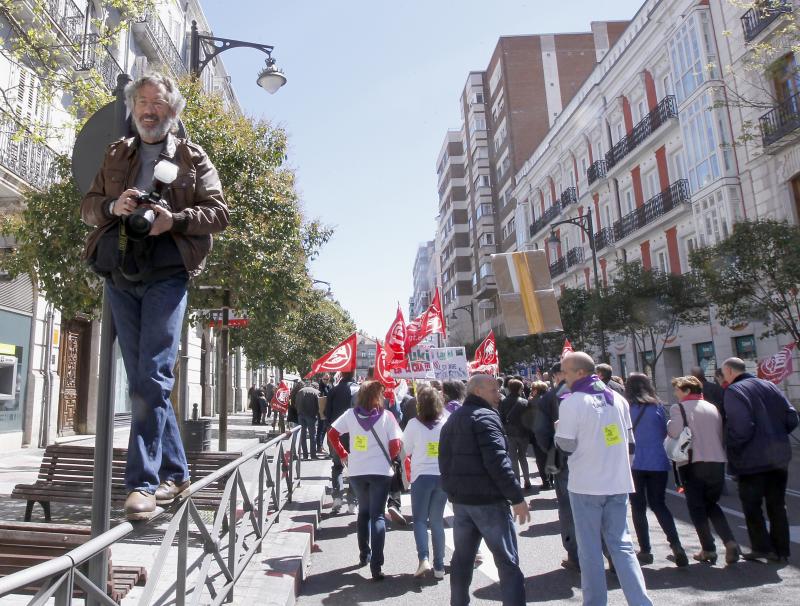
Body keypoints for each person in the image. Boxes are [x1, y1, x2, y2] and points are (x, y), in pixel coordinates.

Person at [81, 73, 228, 521]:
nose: (149, 109)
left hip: (167, 273)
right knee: (142, 380)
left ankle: (141, 484)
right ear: (133, 107)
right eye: (142, 101)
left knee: (154, 376)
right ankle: (177, 471)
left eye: (158, 103)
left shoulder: (192, 156)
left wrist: (175, 220)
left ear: (172, 110)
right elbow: (88, 207)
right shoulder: (116, 154)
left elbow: (219, 214)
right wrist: (114, 207)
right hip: (122, 271)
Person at [555, 352, 652, 606]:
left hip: (586, 483)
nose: (561, 376)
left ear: (580, 373)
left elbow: (566, 445)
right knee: (622, 546)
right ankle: (640, 601)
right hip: (618, 481)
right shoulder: (618, 399)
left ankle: (595, 602)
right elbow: (630, 442)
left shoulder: (572, 402)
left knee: (589, 551)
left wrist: (558, 430)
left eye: (565, 371)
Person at [440, 374, 530, 606]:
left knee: (462, 560)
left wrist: (453, 493)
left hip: (463, 502)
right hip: (488, 501)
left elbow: (443, 461)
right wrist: (516, 497)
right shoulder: (485, 418)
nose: (498, 395)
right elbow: (499, 461)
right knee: (507, 563)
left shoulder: (453, 418)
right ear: (477, 391)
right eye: (493, 390)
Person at [721, 357, 799, 562]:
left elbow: (741, 426)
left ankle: (762, 547)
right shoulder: (770, 386)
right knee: (777, 504)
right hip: (778, 456)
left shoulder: (734, 391)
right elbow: (792, 417)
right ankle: (781, 550)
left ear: (729, 371)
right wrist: (778, 434)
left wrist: (734, 446)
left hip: (750, 459)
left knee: (752, 506)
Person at [328, 380, 403, 580]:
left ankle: (364, 555)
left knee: (364, 513)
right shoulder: (388, 417)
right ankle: (376, 567)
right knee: (378, 515)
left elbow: (332, 433)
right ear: (378, 396)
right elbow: (396, 444)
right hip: (380, 471)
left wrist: (343, 453)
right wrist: (389, 456)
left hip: (357, 471)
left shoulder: (350, 415)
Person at [669, 375, 740, 565]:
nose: (675, 394)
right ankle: (730, 541)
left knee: (697, 508)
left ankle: (708, 548)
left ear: (686, 390)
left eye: (677, 390)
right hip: (716, 461)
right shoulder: (712, 407)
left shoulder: (679, 408)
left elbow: (674, 432)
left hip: (693, 463)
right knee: (712, 504)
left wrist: (669, 424)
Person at [625, 373, 687, 567]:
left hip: (634, 463)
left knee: (638, 507)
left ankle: (645, 550)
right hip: (658, 462)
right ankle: (676, 545)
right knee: (659, 504)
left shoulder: (626, 408)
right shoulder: (657, 406)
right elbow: (664, 432)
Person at [534, 362, 579, 569]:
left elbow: (542, 433)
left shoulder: (550, 398)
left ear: (556, 375)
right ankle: (612, 553)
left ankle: (575, 555)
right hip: (598, 460)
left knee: (569, 508)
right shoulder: (604, 394)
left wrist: (552, 452)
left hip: (565, 460)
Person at [402, 387, 449, 579]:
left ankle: (424, 558)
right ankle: (439, 566)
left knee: (420, 520)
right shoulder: (446, 423)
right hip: (442, 476)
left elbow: (405, 450)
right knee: (437, 521)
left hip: (421, 476)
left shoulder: (413, 424)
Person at [326, 371, 359, 514]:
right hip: (355, 434)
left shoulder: (333, 390)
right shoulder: (359, 390)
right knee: (355, 468)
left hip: (336, 433)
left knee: (337, 466)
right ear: (354, 374)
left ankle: (337, 498)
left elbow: (327, 413)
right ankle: (352, 503)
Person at [499, 379, 532, 490]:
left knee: (513, 458)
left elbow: (501, 418)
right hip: (523, 433)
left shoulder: (504, 402)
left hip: (510, 433)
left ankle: (517, 482)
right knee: (523, 457)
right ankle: (527, 480)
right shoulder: (525, 402)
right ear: (519, 389)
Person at [523, 381, 551, 490]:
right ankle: (552, 479)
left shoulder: (532, 402)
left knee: (541, 459)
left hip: (537, 434)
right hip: (550, 432)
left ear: (535, 390)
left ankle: (546, 481)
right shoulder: (550, 400)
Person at [296, 382, 320, 460]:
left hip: (301, 415)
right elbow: (319, 405)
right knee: (312, 435)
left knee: (302, 435)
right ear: (316, 387)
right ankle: (313, 455)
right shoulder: (316, 392)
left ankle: (305, 455)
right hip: (311, 415)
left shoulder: (300, 391)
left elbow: (295, 403)